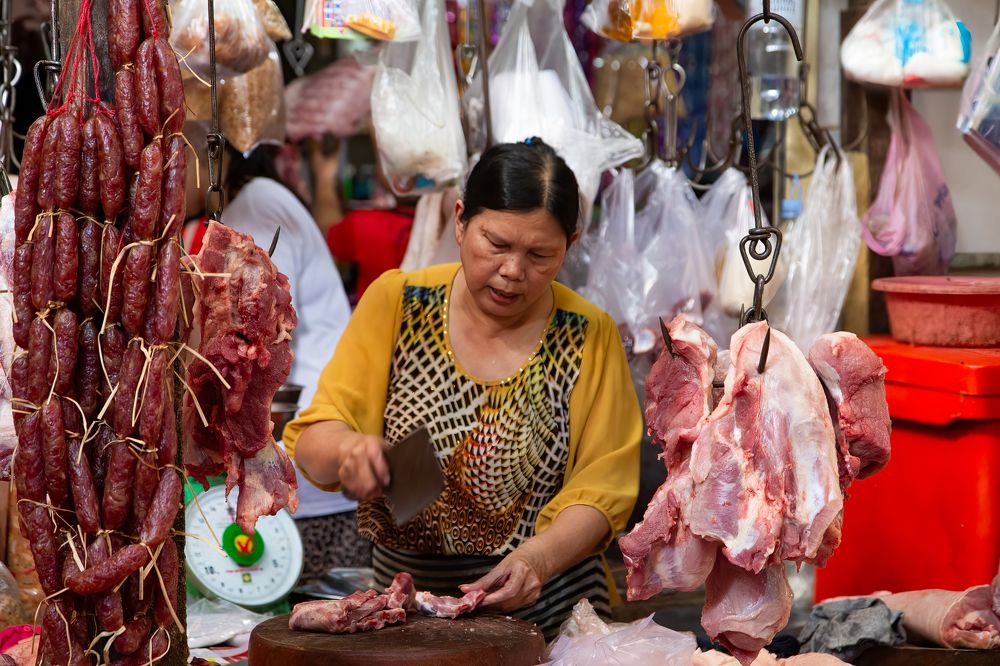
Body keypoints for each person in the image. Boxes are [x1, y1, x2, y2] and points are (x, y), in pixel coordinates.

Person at [283, 138, 642, 637]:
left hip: (554, 622)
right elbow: (314, 437)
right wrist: (350, 451)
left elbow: (605, 488)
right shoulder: (397, 302)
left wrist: (538, 557)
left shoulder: (588, 334)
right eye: (496, 244)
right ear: (460, 221)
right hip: (406, 621)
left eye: (541, 254)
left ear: (571, 245)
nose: (513, 271)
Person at [182, 132, 371, 578]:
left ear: (215, 154)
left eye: (177, 156)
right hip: (293, 457)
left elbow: (250, 340)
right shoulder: (252, 201)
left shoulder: (255, 208)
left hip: (299, 461)